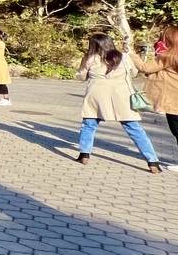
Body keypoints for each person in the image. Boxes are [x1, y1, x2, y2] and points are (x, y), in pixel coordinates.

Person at [74, 33, 162, 174]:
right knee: (134, 128)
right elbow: (133, 74)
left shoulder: (90, 59)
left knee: (89, 125)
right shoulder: (124, 57)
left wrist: (82, 66)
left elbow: (81, 77)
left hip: (96, 95)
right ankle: (152, 162)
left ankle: (84, 154)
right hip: (121, 96)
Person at [127, 26, 178, 168]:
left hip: (173, 101)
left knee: (177, 131)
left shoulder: (167, 56)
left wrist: (132, 54)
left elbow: (145, 67)